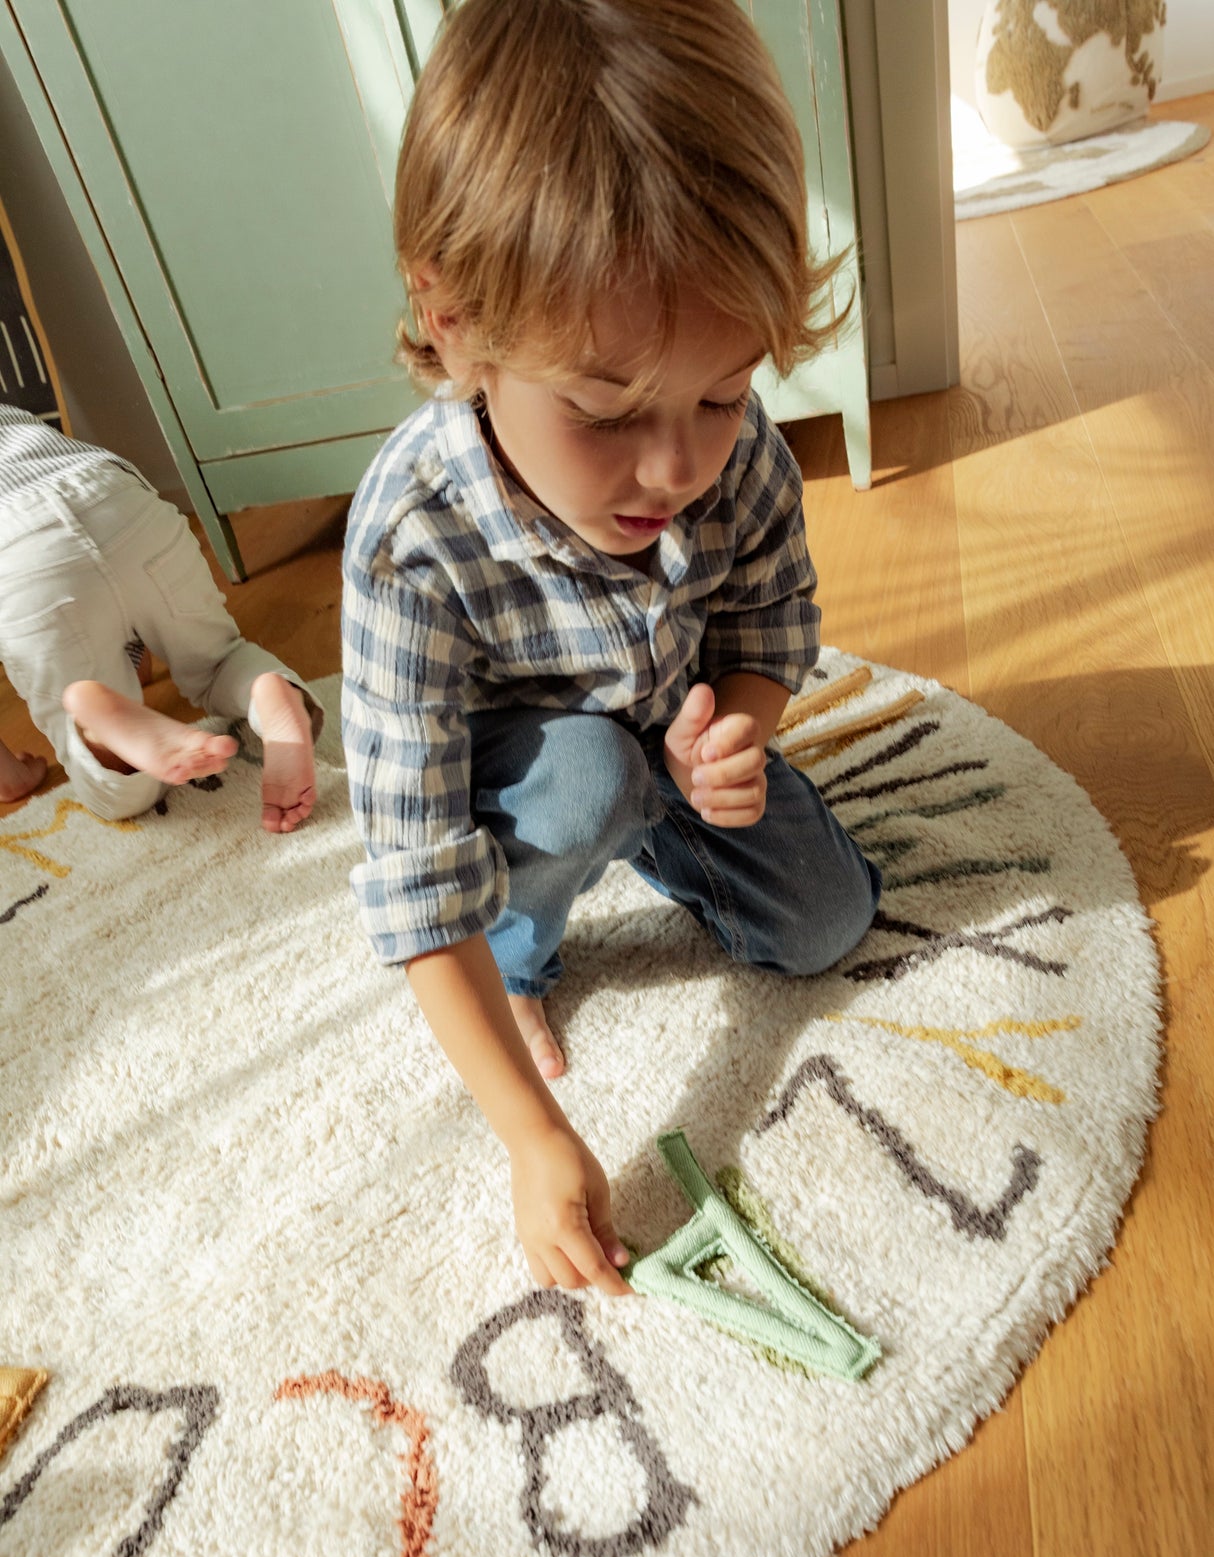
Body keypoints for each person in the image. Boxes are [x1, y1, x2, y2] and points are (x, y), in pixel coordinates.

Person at [341, 0, 881, 1295]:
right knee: (584, 777)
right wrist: (531, 1134)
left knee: (829, 921)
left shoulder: (728, 450)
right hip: (528, 776)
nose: (676, 462)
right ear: (453, 317)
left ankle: (653, 814)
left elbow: (765, 620)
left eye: (720, 389)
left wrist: (736, 728)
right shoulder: (409, 544)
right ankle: (530, 941)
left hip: (669, 722)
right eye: (603, 409)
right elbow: (413, 875)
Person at [0, 405, 321, 830]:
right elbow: (102, 570)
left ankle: (100, 735)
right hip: (114, 498)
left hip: (19, 557)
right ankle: (268, 693)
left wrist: (12, 778)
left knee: (109, 789)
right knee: (219, 660)